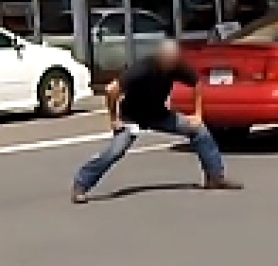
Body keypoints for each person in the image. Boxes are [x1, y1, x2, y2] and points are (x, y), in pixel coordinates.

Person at [71, 40, 243, 204]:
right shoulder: (142, 69)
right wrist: (114, 119)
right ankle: (81, 185)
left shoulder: (176, 66)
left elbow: (196, 83)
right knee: (116, 151)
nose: (170, 65)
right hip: (132, 117)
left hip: (158, 115)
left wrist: (197, 114)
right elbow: (111, 90)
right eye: (168, 61)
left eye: (173, 62)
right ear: (160, 58)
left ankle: (215, 177)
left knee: (199, 130)